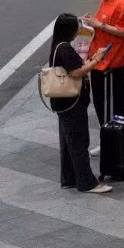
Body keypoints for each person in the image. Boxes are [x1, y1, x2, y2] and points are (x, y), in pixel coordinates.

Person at [48, 14, 110, 193]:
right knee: (79, 143)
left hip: (62, 104)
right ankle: (87, 182)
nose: (77, 31)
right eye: (76, 28)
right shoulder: (65, 49)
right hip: (72, 103)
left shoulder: (57, 46)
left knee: (68, 144)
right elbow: (77, 72)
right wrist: (97, 58)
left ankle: (70, 178)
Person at [80, 0, 124, 135]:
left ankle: (115, 141)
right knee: (101, 105)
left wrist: (99, 24)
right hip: (98, 62)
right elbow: (102, 25)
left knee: (112, 106)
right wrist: (91, 22)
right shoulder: (104, 0)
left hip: (111, 65)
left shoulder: (122, 4)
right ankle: (108, 139)